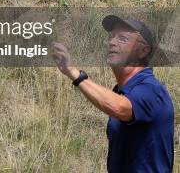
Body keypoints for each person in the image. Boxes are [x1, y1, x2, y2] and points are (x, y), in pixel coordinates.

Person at [52, 15, 174, 173]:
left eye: (123, 39)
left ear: (144, 51)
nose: (112, 42)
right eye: (111, 37)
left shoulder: (151, 90)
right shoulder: (122, 91)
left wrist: (74, 73)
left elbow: (118, 107)